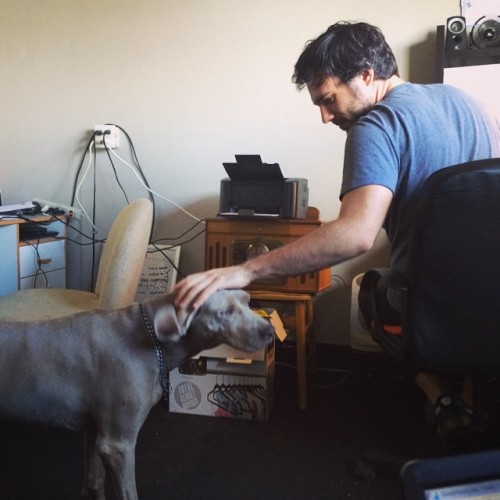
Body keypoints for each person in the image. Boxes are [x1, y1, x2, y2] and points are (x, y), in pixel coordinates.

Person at [174, 21, 500, 441]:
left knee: (367, 289)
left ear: (366, 74)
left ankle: (441, 396)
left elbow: (354, 235)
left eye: (328, 100)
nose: (326, 117)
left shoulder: (376, 125)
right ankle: (469, 402)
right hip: (490, 299)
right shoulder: (467, 103)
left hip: (428, 307)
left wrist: (245, 271)